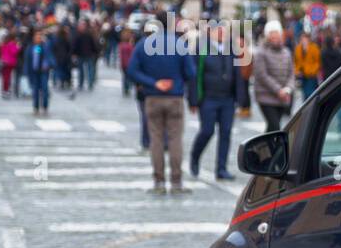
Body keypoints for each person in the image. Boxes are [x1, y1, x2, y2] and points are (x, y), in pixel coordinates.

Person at [126, 21, 194, 194]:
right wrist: (178, 81)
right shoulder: (179, 43)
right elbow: (191, 73)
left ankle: (159, 181)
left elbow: (132, 71)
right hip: (175, 97)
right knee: (175, 140)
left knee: (156, 140)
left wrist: (154, 82)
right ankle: (176, 181)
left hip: (153, 96)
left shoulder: (143, 44)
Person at [188, 24, 249, 180]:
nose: (222, 33)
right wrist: (193, 100)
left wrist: (241, 99)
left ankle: (221, 169)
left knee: (226, 133)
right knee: (207, 131)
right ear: (211, 33)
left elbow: (237, 74)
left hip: (227, 99)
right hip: (208, 98)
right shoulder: (202, 50)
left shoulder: (231, 50)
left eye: (224, 31)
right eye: (218, 31)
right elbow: (194, 76)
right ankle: (195, 156)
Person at [252, 20, 295, 132]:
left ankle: (263, 148)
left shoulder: (287, 52)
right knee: (275, 126)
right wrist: (278, 90)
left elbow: (291, 73)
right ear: (267, 35)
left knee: (272, 129)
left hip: (282, 97)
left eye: (277, 33)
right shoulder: (261, 52)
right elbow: (262, 75)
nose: (275, 36)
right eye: (272, 33)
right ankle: (264, 148)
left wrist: (288, 89)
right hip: (266, 96)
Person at [28, 27, 55, 115]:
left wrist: (48, 64)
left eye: (40, 36)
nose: (38, 38)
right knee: (35, 90)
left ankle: (45, 106)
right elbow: (28, 59)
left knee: (44, 89)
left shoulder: (45, 45)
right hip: (34, 71)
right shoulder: (31, 47)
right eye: (37, 36)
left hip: (44, 72)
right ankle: (36, 107)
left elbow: (50, 55)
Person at [293, 31, 321, 103]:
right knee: (304, 94)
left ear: (308, 39)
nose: (303, 41)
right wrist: (296, 71)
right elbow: (295, 62)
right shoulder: (298, 48)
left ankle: (311, 108)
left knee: (310, 93)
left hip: (311, 75)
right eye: (302, 39)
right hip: (302, 75)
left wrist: (313, 71)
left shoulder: (314, 48)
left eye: (305, 39)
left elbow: (318, 62)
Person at [0, 28, 19, 99]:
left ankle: (4, 90)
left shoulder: (3, 45)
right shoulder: (11, 44)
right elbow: (15, 52)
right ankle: (6, 90)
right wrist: (18, 46)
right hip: (10, 63)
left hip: (4, 62)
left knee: (5, 77)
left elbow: (1, 53)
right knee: (8, 77)